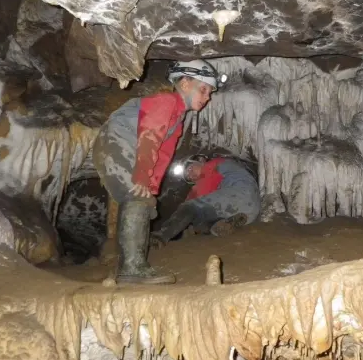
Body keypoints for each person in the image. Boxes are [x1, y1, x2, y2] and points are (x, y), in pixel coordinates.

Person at [92, 60, 227, 284]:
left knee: (143, 199)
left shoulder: (178, 119)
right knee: (137, 196)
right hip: (118, 141)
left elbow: (163, 156)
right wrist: (142, 178)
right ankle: (132, 268)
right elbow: (149, 138)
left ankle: (129, 265)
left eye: (210, 93)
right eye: (204, 89)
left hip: (124, 146)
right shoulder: (166, 102)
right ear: (185, 84)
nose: (207, 97)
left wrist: (151, 189)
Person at [150, 154, 261, 246]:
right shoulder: (221, 174)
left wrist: (184, 212)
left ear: (201, 160)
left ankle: (161, 235)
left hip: (238, 193)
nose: (190, 175)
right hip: (251, 210)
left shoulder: (212, 164)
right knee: (201, 222)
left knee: (189, 207)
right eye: (189, 178)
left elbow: (197, 195)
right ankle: (222, 224)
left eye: (190, 169)